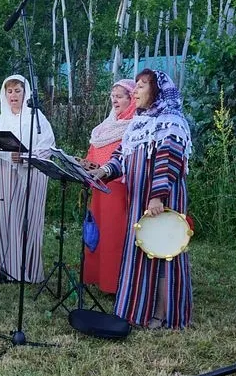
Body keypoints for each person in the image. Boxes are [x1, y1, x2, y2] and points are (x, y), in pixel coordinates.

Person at [92, 69, 193, 329]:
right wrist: (103, 171)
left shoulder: (171, 120)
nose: (135, 91)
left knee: (163, 251)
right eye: (135, 86)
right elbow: (122, 156)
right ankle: (139, 309)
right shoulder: (139, 122)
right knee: (142, 252)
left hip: (162, 201)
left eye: (141, 86)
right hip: (139, 200)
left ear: (156, 91)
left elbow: (169, 159)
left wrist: (157, 197)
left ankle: (163, 314)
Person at [0, 75, 55, 283]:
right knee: (5, 219)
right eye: (10, 91)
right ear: (4, 94)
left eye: (18, 90)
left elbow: (48, 147)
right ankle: (3, 267)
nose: (13, 95)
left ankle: (24, 269)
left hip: (31, 175)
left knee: (26, 220)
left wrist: (25, 156)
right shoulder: (0, 120)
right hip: (5, 174)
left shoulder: (36, 117)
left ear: (26, 93)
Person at [80, 79, 136, 294]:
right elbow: (92, 156)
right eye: (113, 96)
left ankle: (115, 283)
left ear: (131, 100)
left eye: (120, 96)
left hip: (119, 192)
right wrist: (85, 164)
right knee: (98, 233)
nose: (115, 100)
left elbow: (128, 162)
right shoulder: (103, 129)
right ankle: (98, 277)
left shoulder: (135, 127)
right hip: (99, 190)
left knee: (115, 236)